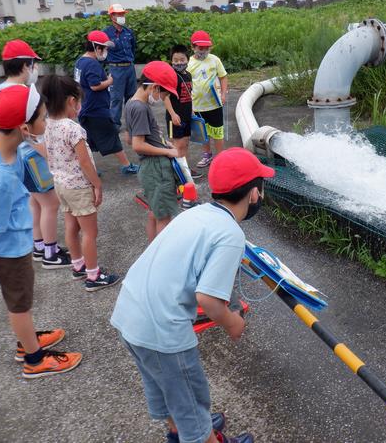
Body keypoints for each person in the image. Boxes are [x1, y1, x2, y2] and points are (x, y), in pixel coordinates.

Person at [111, 147, 275, 443]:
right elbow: (208, 300)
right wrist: (232, 322)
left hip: (130, 313)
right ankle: (201, 433)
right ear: (253, 194)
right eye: (260, 190)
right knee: (190, 400)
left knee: (169, 389)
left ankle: (181, 429)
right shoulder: (231, 234)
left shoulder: (198, 211)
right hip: (163, 330)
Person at [0, 84, 82, 378]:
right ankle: (34, 359)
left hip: (10, 242)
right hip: (9, 249)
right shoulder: (2, 175)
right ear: (24, 127)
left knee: (20, 301)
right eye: (42, 116)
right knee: (20, 304)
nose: (46, 120)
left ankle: (28, 339)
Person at [40, 75, 121, 293]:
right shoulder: (73, 128)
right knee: (89, 233)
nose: (79, 106)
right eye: (78, 102)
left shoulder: (48, 124)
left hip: (61, 185)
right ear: (70, 101)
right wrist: (97, 184)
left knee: (71, 227)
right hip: (79, 186)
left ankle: (78, 266)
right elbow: (84, 161)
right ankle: (93, 275)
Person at [0, 39, 70, 269]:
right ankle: (51, 252)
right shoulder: (24, 95)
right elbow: (31, 134)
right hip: (33, 158)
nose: (35, 69)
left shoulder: (1, 90)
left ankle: (39, 246)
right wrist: (53, 156)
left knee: (35, 203)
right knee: (50, 204)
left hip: (18, 158)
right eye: (33, 64)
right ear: (25, 66)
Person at [126, 61, 181, 243]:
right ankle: (162, 258)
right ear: (155, 87)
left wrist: (165, 144)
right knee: (163, 217)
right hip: (156, 168)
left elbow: (130, 138)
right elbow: (137, 145)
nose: (162, 98)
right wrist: (166, 152)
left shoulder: (131, 104)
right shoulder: (141, 108)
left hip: (149, 167)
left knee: (154, 213)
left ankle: (152, 251)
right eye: (163, 94)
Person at [74, 30, 138, 175]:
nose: (106, 51)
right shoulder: (92, 64)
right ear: (96, 48)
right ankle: (127, 165)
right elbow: (95, 85)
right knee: (111, 136)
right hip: (96, 110)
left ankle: (86, 167)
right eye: (105, 48)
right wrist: (109, 81)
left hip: (86, 108)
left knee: (88, 142)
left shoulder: (80, 62)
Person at [187, 30, 228, 169]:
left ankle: (220, 157)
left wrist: (223, 94)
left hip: (214, 104)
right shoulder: (189, 63)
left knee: (217, 131)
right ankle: (207, 155)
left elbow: (223, 77)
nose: (203, 51)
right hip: (197, 106)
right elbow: (187, 84)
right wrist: (189, 104)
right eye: (200, 48)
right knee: (203, 133)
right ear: (193, 47)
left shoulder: (214, 60)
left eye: (206, 48)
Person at [165, 44, 202, 179]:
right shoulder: (171, 76)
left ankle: (185, 168)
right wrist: (173, 114)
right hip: (175, 118)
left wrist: (192, 110)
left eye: (182, 60)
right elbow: (165, 97)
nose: (179, 63)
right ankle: (177, 173)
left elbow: (189, 94)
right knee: (177, 145)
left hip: (187, 115)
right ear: (171, 61)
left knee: (185, 143)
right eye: (175, 60)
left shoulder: (188, 75)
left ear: (188, 59)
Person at [104, 3, 137, 129]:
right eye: (119, 14)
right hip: (115, 68)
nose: (122, 16)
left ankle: (133, 124)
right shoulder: (106, 33)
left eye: (123, 14)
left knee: (132, 97)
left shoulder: (128, 32)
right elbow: (102, 51)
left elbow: (133, 48)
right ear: (112, 16)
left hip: (129, 67)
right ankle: (115, 125)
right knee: (116, 98)